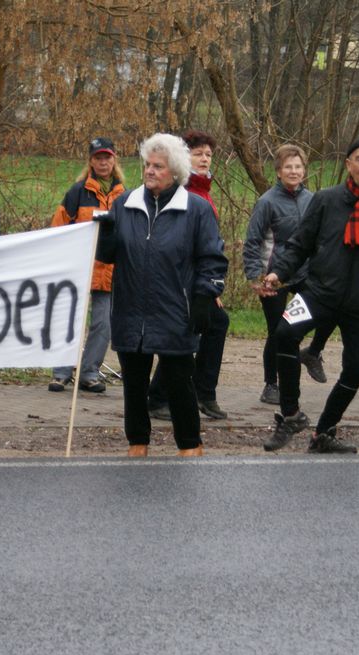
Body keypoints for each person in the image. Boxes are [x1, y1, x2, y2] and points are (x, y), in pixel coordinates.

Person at [261, 137, 359, 455]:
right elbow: (300, 243)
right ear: (348, 164)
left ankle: (323, 434)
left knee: (356, 369)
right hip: (316, 293)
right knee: (284, 334)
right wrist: (278, 273)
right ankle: (290, 416)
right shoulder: (326, 200)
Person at [96, 133, 228, 458]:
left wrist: (203, 297)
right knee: (134, 385)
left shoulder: (196, 209)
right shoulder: (125, 204)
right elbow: (107, 255)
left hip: (175, 311)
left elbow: (213, 259)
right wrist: (106, 235)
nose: (150, 171)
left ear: (175, 173)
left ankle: (189, 444)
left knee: (180, 384)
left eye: (158, 166)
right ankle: (137, 442)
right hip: (130, 310)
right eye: (147, 165)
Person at [147, 130, 230, 420]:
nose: (205, 158)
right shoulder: (184, 193)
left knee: (194, 330)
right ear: (184, 159)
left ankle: (174, 395)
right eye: (198, 154)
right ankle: (193, 392)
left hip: (198, 281)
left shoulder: (203, 191)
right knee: (195, 330)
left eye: (208, 154)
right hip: (181, 282)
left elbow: (210, 246)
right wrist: (204, 290)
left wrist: (211, 288)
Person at [243, 144, 332, 404]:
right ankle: (272, 384)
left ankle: (313, 352)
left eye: (298, 167)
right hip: (274, 277)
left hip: (306, 273)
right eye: (288, 167)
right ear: (279, 172)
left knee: (327, 311)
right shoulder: (267, 202)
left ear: (305, 170)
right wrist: (254, 277)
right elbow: (252, 242)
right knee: (277, 332)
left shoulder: (313, 200)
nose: (293, 171)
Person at [48, 137, 125, 394]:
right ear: (91, 161)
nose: (103, 162)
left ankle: (89, 372)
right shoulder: (76, 192)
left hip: (110, 271)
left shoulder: (125, 195)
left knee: (103, 324)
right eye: (98, 158)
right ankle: (61, 372)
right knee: (70, 322)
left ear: (114, 160)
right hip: (78, 269)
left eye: (107, 157)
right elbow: (59, 227)